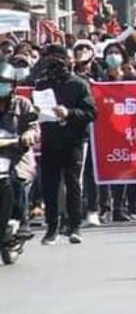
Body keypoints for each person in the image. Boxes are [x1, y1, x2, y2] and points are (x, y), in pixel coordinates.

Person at [35, 44, 97, 244]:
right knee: (50, 185)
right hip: (50, 139)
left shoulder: (78, 84)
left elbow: (91, 113)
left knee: (72, 183)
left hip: (74, 140)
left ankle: (74, 226)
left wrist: (69, 113)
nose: (52, 65)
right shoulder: (42, 84)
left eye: (55, 60)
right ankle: (52, 227)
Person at [0, 62, 39, 244]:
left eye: (4, 83)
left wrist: (29, 134)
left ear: (13, 85)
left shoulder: (22, 104)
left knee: (16, 179)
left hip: (17, 155)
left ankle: (22, 222)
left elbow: (33, 126)